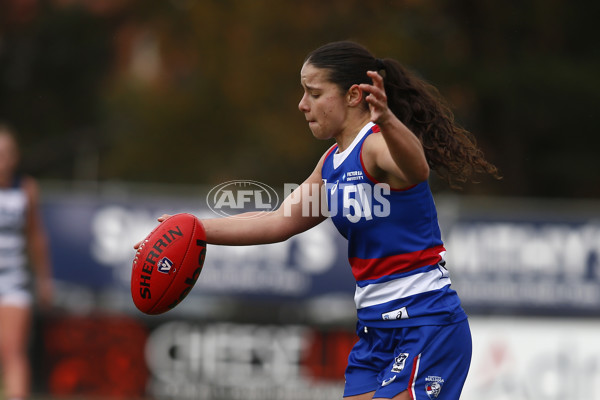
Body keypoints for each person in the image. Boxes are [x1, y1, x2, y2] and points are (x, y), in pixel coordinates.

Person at [140, 41, 500, 399]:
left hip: (425, 323)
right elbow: (278, 221)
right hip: (376, 332)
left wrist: (388, 121)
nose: (302, 104)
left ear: (354, 95)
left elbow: (416, 169)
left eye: (314, 92)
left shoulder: (375, 145)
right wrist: (190, 228)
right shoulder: (331, 165)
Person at [0, 124, 53, 400]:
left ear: (15, 156)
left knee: (12, 350)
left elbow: (36, 236)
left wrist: (44, 280)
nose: (2, 159)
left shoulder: (26, 189)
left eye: (6, 153)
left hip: (14, 281)